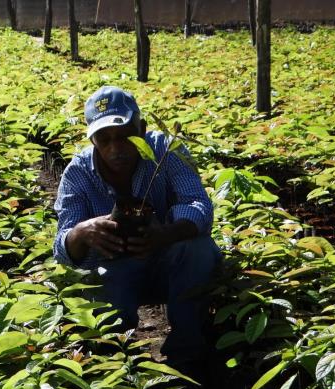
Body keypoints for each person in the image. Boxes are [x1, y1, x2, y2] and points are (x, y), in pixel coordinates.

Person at [53, 86, 220, 367]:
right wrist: (81, 233)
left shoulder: (165, 151)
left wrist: (166, 234)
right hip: (114, 271)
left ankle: (187, 356)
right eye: (104, 140)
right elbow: (62, 249)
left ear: (141, 129)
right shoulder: (78, 173)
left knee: (198, 251)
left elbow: (197, 204)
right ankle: (117, 364)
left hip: (169, 264)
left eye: (125, 136)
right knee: (102, 300)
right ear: (92, 139)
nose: (115, 149)